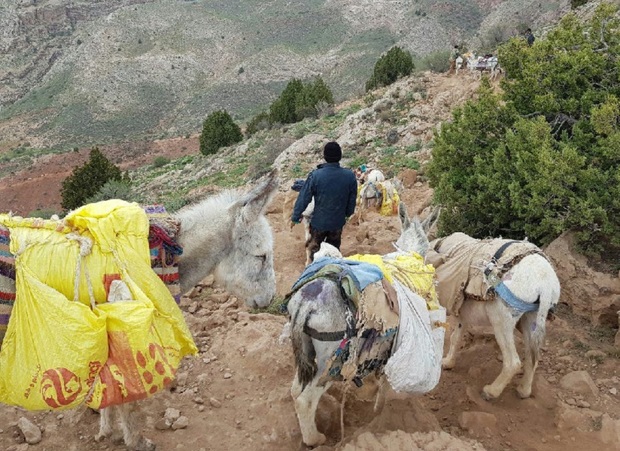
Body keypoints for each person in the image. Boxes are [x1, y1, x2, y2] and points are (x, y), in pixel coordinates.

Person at [291, 141, 357, 263]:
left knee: (314, 252)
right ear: (340, 156)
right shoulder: (350, 176)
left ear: (325, 157)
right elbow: (352, 199)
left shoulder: (316, 175)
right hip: (337, 223)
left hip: (318, 224)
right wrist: (347, 214)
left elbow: (304, 197)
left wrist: (296, 216)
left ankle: (313, 272)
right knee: (333, 252)